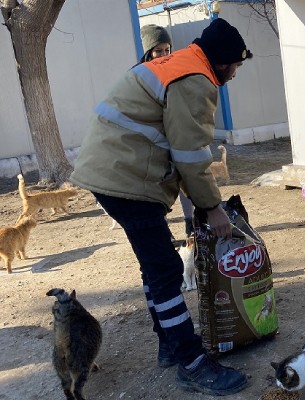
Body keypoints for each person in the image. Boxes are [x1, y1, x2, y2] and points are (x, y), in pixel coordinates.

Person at [70, 18, 253, 396]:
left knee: (155, 267)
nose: (235, 74)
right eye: (235, 66)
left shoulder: (180, 64)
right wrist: (213, 207)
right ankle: (191, 362)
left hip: (113, 171)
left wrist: (202, 206)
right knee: (165, 270)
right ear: (221, 61)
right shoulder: (195, 79)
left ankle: (169, 345)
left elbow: (175, 145)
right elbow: (190, 155)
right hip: (125, 178)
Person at [140, 24, 196, 236]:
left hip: (176, 136)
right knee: (158, 186)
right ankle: (162, 226)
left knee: (183, 179)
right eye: (158, 51)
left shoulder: (177, 72)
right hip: (152, 141)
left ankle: (190, 221)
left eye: (167, 50)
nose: (164, 55)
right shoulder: (139, 76)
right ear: (148, 53)